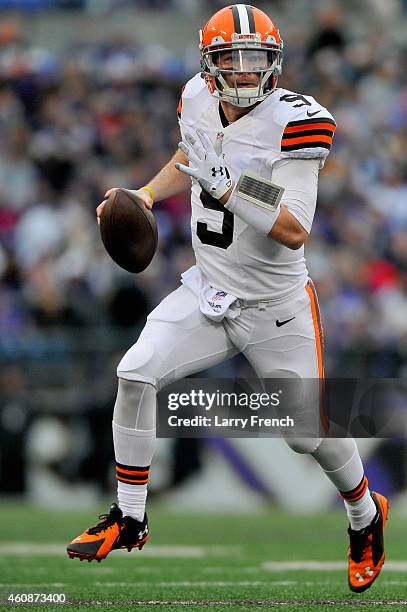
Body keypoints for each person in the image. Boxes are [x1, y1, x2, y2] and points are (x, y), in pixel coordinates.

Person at [67, 4, 388, 593]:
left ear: (276, 62)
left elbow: (294, 224)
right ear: (208, 64)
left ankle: (366, 514)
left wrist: (232, 185)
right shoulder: (194, 96)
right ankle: (130, 516)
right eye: (231, 60)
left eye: (255, 60)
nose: (243, 73)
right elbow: (191, 158)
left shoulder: (299, 120)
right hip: (209, 287)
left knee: (304, 433)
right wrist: (141, 194)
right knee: (134, 373)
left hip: (278, 306)